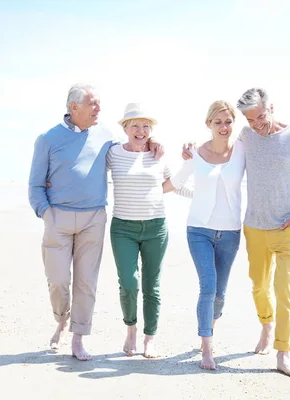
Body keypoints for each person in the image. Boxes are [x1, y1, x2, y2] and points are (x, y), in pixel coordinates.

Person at [27, 84, 163, 361]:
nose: (99, 109)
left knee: (86, 282)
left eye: (99, 103)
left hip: (94, 219)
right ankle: (61, 319)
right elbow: (35, 184)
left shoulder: (105, 137)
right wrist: (46, 214)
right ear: (74, 107)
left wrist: (152, 143)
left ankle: (78, 338)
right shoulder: (48, 139)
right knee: (58, 281)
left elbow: (131, 149)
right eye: (93, 104)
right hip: (58, 218)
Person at [171, 101, 290, 370]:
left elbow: (271, 166)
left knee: (220, 294)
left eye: (228, 122)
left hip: (231, 230)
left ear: (234, 124)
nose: (223, 127)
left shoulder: (243, 148)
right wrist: (196, 195)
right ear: (208, 124)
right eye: (217, 122)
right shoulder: (196, 152)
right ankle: (207, 348)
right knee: (208, 287)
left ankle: (213, 326)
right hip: (199, 228)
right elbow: (174, 185)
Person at [236, 87, 290, 377]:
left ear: (271, 107)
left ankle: (283, 353)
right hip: (254, 227)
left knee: (286, 293)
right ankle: (266, 324)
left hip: (287, 228)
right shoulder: (246, 137)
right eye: (251, 121)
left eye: (261, 116)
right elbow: (221, 155)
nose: (258, 125)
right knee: (259, 287)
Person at [106, 103, 192, 358]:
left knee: (151, 286)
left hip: (156, 228)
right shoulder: (113, 153)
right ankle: (131, 329)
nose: (141, 131)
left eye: (146, 126)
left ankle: (149, 339)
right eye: (135, 125)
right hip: (123, 228)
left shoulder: (158, 155)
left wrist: (202, 196)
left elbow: (169, 185)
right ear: (125, 128)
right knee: (129, 283)